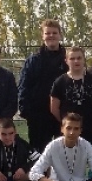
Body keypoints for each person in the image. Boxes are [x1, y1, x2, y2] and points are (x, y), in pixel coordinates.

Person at [18, 18, 68, 153]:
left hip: (63, 116)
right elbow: (24, 86)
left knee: (64, 154)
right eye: (47, 33)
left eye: (54, 33)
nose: (51, 35)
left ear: (60, 35)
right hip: (38, 116)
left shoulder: (69, 59)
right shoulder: (33, 60)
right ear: (42, 36)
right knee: (38, 154)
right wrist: (26, 112)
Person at [50, 46, 92, 150]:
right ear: (66, 61)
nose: (76, 61)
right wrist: (67, 122)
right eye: (72, 58)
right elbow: (54, 108)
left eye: (79, 58)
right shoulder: (60, 82)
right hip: (70, 132)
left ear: (83, 59)